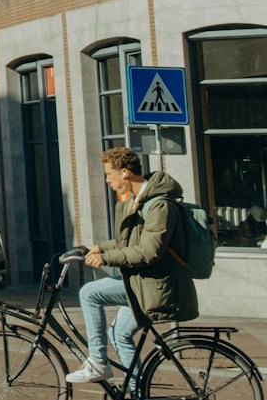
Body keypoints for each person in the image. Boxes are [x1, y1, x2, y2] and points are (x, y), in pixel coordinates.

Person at [67, 146, 199, 384]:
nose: (107, 180)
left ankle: (97, 362)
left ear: (125, 173)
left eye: (109, 174)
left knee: (89, 293)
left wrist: (106, 258)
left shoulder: (159, 205)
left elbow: (150, 251)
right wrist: (98, 248)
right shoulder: (137, 201)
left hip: (157, 286)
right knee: (119, 335)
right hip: (142, 282)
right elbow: (127, 242)